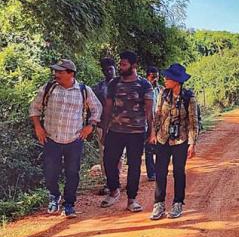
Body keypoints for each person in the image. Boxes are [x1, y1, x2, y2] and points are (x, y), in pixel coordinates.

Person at [29, 59, 102, 218]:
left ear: (71, 73)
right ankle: (54, 195)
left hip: (74, 140)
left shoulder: (84, 90)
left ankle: (69, 204)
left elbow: (97, 109)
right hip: (51, 139)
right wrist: (38, 127)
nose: (56, 74)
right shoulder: (49, 88)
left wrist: (90, 126)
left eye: (60, 72)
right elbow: (34, 108)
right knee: (50, 172)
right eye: (55, 71)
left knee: (72, 173)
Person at [100, 51, 155, 212]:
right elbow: (108, 109)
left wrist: (151, 133)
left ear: (134, 66)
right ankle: (114, 190)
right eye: (120, 64)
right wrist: (104, 131)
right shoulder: (114, 84)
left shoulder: (145, 85)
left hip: (137, 133)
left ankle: (132, 199)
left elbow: (149, 112)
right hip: (115, 131)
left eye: (124, 64)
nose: (121, 67)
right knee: (108, 161)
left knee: (134, 165)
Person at [150, 63, 199, 220]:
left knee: (178, 172)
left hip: (180, 140)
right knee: (160, 172)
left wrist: (192, 143)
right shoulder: (163, 94)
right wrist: (153, 133)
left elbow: (193, 121)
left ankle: (178, 203)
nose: (165, 79)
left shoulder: (188, 97)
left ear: (177, 81)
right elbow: (157, 115)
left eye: (168, 77)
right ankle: (159, 204)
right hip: (162, 138)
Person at [91, 57, 119, 195]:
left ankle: (116, 181)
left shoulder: (123, 84)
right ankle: (108, 181)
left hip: (119, 125)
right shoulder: (97, 88)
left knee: (119, 155)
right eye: (105, 69)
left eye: (110, 68)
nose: (108, 71)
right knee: (104, 155)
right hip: (103, 125)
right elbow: (93, 107)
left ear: (115, 68)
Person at [144, 66, 163, 181]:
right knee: (149, 149)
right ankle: (151, 173)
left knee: (160, 148)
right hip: (147, 123)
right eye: (152, 77)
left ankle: (158, 170)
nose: (155, 79)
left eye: (156, 77)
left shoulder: (161, 89)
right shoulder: (144, 89)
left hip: (159, 123)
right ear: (148, 76)